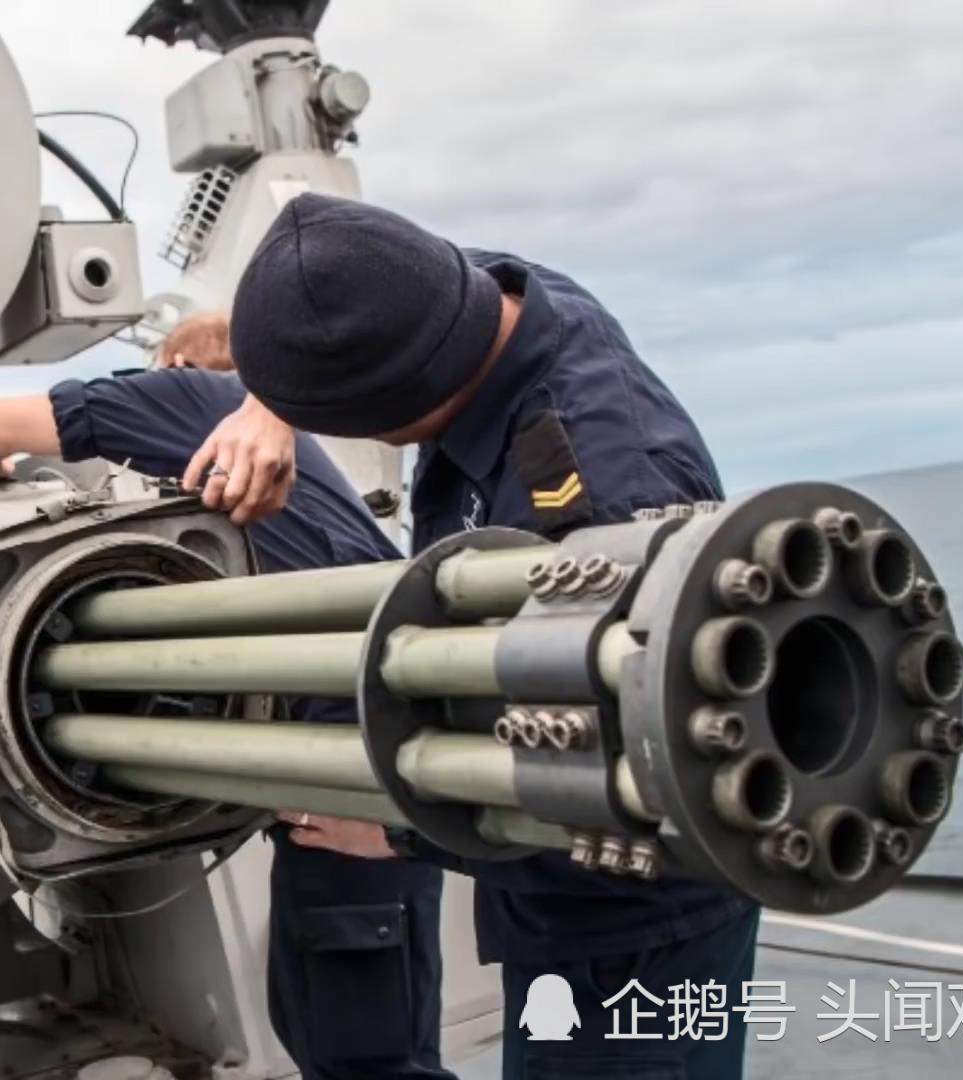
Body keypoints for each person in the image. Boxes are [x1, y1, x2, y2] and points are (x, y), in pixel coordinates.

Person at [183, 193, 759, 1079]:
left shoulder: (596, 503)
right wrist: (268, 400)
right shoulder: (495, 298)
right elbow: (365, 276)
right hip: (551, 904)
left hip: (630, 920)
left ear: (397, 400)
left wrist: (403, 832)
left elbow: (633, 772)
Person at [0, 362, 456, 1080]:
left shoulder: (187, 398)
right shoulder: (287, 449)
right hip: (353, 782)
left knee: (368, 1061)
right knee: (335, 1041)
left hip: (349, 793)